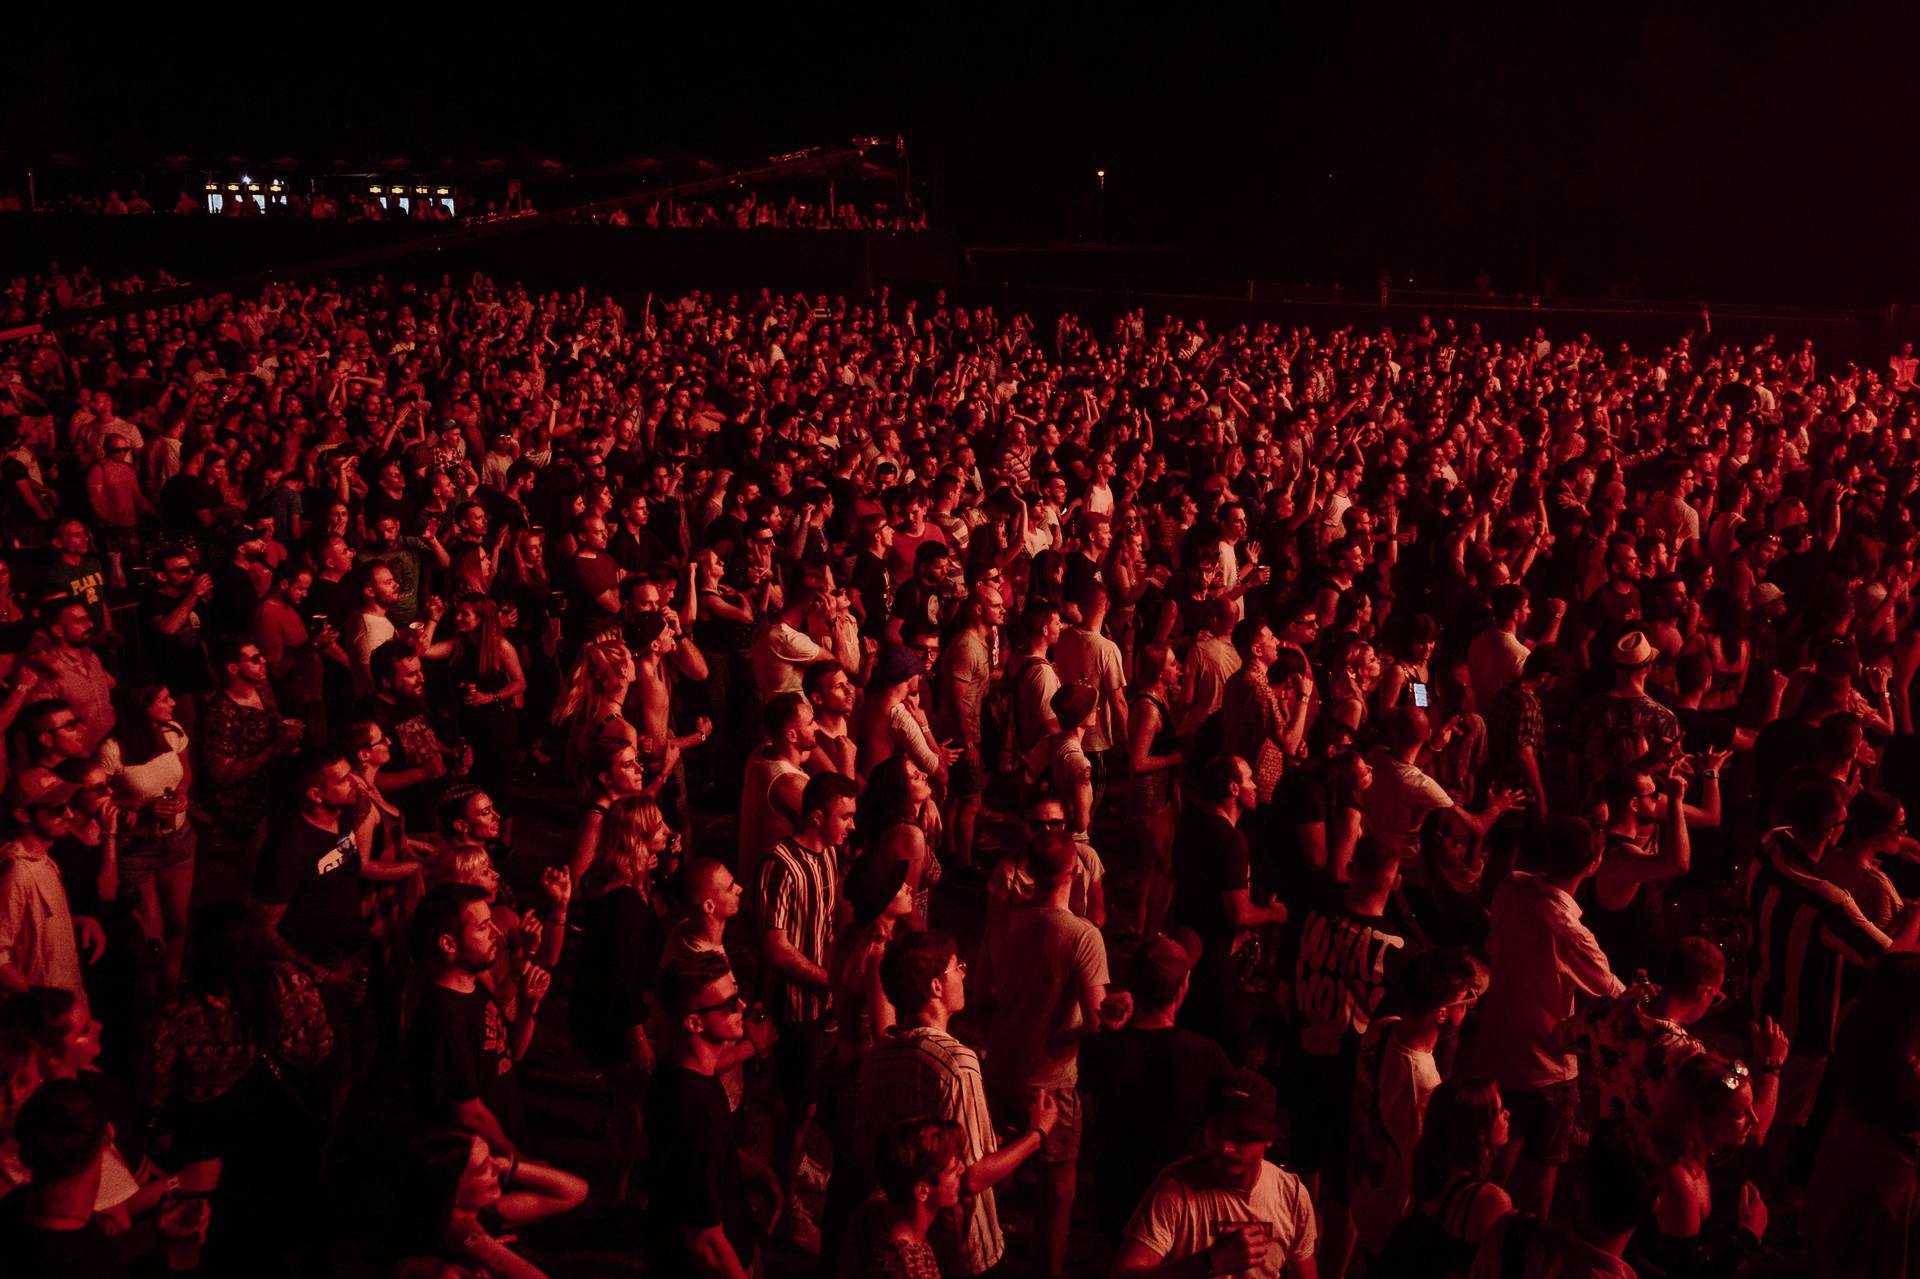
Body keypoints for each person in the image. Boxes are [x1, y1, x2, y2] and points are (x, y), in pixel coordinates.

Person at [858, 929, 1059, 1278]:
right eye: (958, 968)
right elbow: (971, 1179)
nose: (965, 974)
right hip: (962, 1247)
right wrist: (1037, 1133)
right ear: (936, 986)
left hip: (911, 1230)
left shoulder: (880, 1056)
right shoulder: (956, 1063)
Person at [978, 830, 1128, 1277]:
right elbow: (1097, 1020)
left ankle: (983, 1251)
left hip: (1001, 1064)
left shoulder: (1008, 923)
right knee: (1058, 1188)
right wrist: (1118, 1013)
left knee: (996, 1165)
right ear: (1077, 872)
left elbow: (987, 991)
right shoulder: (1082, 937)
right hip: (1049, 1081)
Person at [1473, 815, 1624, 1217]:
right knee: (1543, 1167)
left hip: (1498, 1047)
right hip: (1547, 1065)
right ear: (1593, 865)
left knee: (1500, 1152)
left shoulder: (1510, 886)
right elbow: (1609, 989)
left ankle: (1481, 1230)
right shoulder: (1568, 929)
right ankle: (1527, 1246)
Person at [754, 770, 857, 1253]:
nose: (851, 826)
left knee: (808, 1101)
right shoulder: (781, 863)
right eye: (846, 816)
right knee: (798, 1108)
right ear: (818, 816)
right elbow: (775, 946)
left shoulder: (830, 855)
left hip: (821, 1004)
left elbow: (828, 919)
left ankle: (790, 1164)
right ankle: (786, 1200)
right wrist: (827, 979)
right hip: (793, 1009)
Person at [1080, 929, 1233, 1238]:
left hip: (1113, 1196)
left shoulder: (1101, 1049)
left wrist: (1111, 1030)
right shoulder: (1206, 1056)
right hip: (1176, 1197)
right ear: (1183, 988)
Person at [1114, 1067, 1321, 1278]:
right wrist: (1208, 1263)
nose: (1225, 1147)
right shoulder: (1176, 1188)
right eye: (1216, 1132)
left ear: (1268, 1138)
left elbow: (1304, 1271)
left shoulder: (1291, 1193)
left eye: (1240, 1136)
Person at [646, 950, 776, 1279]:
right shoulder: (692, 1110)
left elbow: (710, 1157)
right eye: (730, 1004)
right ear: (694, 1022)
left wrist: (758, 1172)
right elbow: (705, 1241)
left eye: (738, 996)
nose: (742, 1008)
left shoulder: (690, 1076)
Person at [406, 882, 547, 1157]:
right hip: (480, 1163)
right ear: (449, 944)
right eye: (483, 928)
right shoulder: (443, 1016)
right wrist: (514, 1159)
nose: (495, 934)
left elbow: (513, 1052)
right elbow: (468, 1112)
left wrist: (529, 1007)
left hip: (503, 1141)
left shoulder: (473, 987)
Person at [1169, 755, 1286, 1048]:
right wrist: (1273, 914)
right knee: (1223, 1041)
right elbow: (1239, 912)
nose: (1256, 786)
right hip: (1214, 960)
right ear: (1233, 788)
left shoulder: (1190, 824)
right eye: (1249, 780)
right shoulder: (1231, 841)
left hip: (1187, 946)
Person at [398, 1129, 587, 1279]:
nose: (496, 1166)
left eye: (491, 1157)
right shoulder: (459, 1241)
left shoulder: (489, 1213)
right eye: (483, 1168)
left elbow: (575, 1192)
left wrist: (511, 1166)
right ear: (451, 1188)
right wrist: (479, 1244)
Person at [1373, 1080, 1514, 1279]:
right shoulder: (1490, 1201)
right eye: (1500, 1111)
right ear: (1480, 1132)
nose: (1508, 1114)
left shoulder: (1427, 1170)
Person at [840, 1115, 966, 1279]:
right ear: (922, 1191)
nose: (962, 1169)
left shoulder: (875, 1206)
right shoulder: (908, 1270)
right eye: (953, 1169)